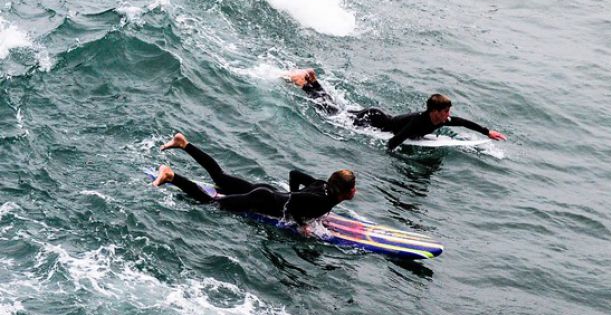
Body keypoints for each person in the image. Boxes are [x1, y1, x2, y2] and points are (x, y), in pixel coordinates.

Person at [152, 132, 356, 224]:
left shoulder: (322, 185)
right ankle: (171, 176)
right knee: (213, 202)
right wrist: (302, 224)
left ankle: (183, 143)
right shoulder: (322, 202)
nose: (356, 191)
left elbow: (295, 175)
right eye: (353, 188)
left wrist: (288, 194)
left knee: (220, 177)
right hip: (260, 199)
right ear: (346, 193)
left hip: (265, 191)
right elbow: (295, 201)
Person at [286, 69, 507, 150]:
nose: (448, 115)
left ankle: (313, 82)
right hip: (372, 119)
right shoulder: (419, 122)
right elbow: (395, 140)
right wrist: (392, 158)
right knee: (333, 114)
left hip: (377, 115)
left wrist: (487, 132)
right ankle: (306, 84)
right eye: (445, 111)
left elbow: (464, 122)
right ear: (435, 111)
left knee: (339, 109)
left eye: (449, 111)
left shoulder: (440, 120)